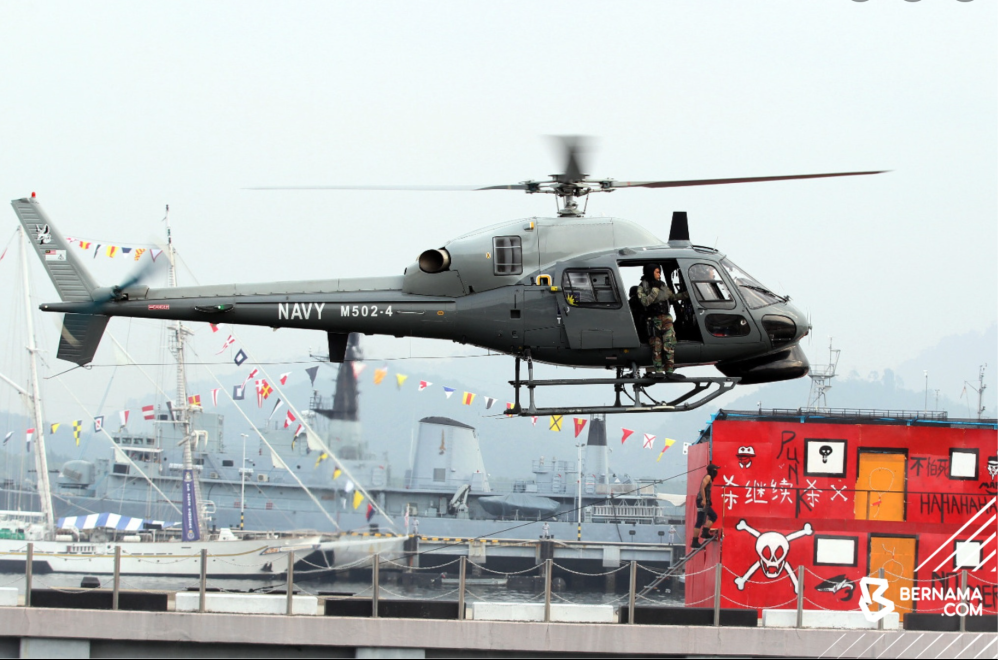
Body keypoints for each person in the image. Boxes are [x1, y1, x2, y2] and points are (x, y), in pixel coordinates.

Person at [637, 263, 688, 375]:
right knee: (656, 346)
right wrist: (655, 289)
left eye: (659, 272)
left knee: (669, 343)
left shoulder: (663, 285)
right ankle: (658, 371)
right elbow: (645, 302)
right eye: (656, 272)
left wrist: (687, 294)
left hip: (666, 318)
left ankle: (669, 370)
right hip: (653, 320)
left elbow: (672, 297)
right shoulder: (642, 287)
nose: (659, 274)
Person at [691, 463, 720, 550]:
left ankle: (705, 532)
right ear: (712, 470)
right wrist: (704, 499)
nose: (716, 472)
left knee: (712, 516)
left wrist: (708, 500)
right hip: (701, 501)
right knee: (700, 520)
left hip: (705, 501)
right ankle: (695, 541)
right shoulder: (708, 477)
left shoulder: (710, 478)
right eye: (715, 470)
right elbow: (702, 488)